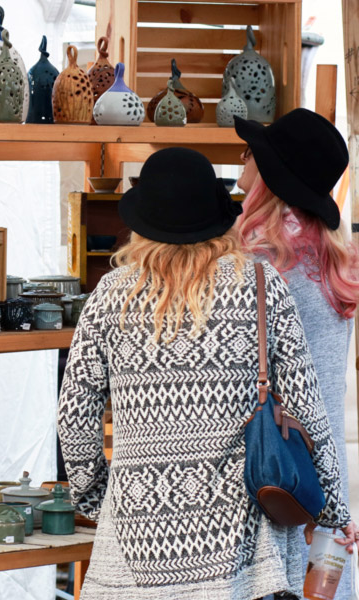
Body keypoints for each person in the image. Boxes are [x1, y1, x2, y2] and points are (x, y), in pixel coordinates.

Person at [57, 147, 356, 600]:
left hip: (133, 547)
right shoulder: (259, 286)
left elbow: (75, 419)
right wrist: (332, 511)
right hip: (241, 550)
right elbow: (306, 410)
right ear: (217, 217)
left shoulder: (109, 297)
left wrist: (102, 502)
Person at [235, 108, 359, 600]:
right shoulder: (335, 261)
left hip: (273, 463)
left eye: (251, 153)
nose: (243, 159)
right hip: (324, 469)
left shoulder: (256, 262)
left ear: (269, 175)